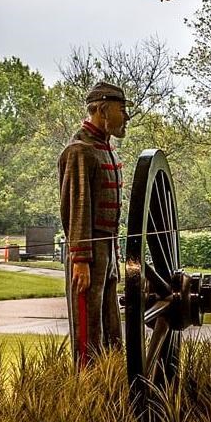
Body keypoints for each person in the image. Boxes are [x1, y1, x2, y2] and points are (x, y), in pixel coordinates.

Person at [59, 82, 130, 369]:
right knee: (88, 327)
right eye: (121, 110)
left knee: (110, 322)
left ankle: (111, 376)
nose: (125, 117)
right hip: (89, 250)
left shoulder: (103, 148)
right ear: (102, 110)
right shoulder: (81, 150)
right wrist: (80, 259)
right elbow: (77, 209)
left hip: (106, 247)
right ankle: (87, 385)